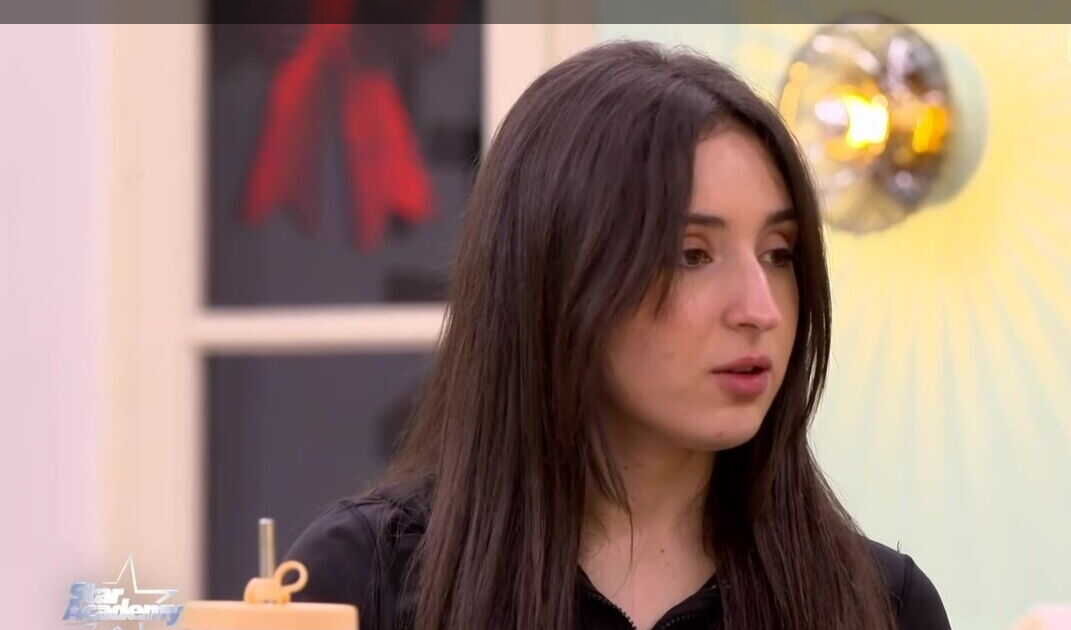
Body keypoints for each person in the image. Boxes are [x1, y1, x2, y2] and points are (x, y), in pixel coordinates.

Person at [284, 40, 951, 630]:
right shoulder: (362, 582)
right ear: (558, 274)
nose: (760, 309)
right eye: (692, 254)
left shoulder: (880, 605)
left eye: (778, 253)